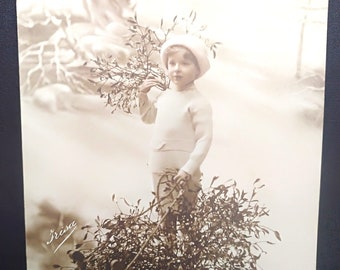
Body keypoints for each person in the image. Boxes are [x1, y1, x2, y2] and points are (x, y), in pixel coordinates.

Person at [138, 35, 213, 222]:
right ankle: (167, 249)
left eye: (185, 64)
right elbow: (148, 118)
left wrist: (188, 169)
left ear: (198, 70)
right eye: (172, 64)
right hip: (160, 165)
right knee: (166, 219)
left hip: (184, 169)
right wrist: (142, 95)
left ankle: (187, 250)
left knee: (187, 220)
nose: (177, 69)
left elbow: (204, 139)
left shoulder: (198, 102)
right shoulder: (164, 97)